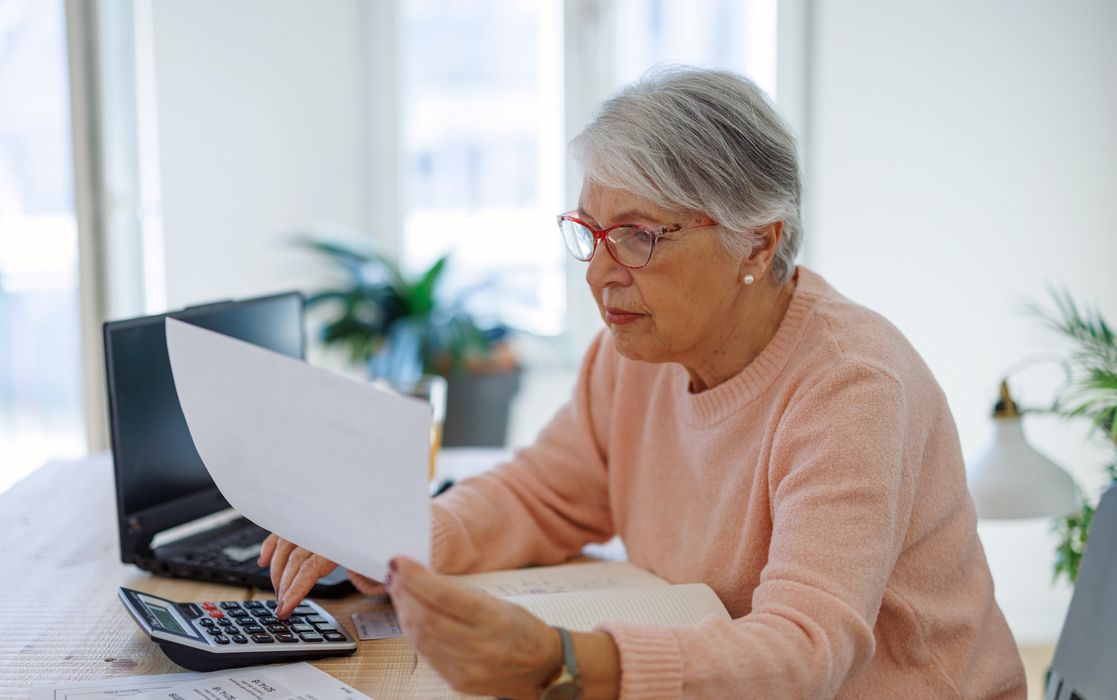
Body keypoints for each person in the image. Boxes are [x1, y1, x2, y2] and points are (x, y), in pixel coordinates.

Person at [259, 66, 1026, 698]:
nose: (598, 272)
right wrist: (383, 537)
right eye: (590, 232)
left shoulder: (850, 388)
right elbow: (539, 494)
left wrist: (560, 660)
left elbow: (804, 651)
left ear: (755, 243)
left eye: (636, 236)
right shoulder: (634, 356)